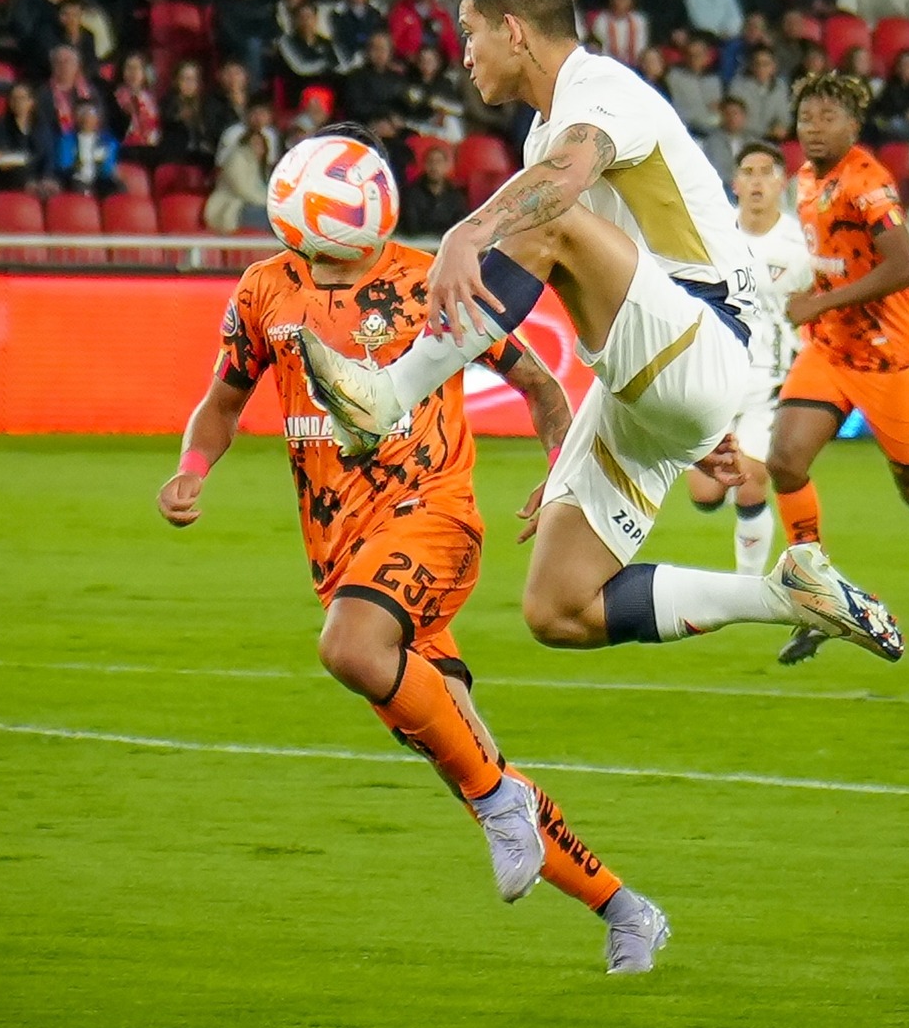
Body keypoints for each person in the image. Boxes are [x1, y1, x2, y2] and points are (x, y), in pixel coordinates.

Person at [297, 0, 904, 674]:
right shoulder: (542, 132)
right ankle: (785, 595)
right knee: (559, 606)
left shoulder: (600, 90)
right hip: (660, 371)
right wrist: (626, 418)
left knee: (544, 214)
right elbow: (588, 277)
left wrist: (470, 228)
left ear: (514, 30)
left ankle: (388, 394)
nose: (463, 54)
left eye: (470, 31)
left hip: (704, 335)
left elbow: (564, 195)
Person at [159, 135, 670, 973]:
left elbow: (542, 384)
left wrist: (562, 480)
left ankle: (504, 805)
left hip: (432, 517)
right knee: (468, 757)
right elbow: (221, 402)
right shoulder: (262, 291)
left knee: (351, 647)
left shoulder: (428, 278)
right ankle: (625, 909)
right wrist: (190, 470)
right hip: (345, 552)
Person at [767, 70, 909, 670]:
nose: (813, 128)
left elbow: (903, 267)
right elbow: (833, 260)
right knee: (784, 461)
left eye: (827, 118)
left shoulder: (869, 185)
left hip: (891, 358)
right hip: (831, 351)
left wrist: (819, 301)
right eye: (805, 118)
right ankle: (817, 596)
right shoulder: (807, 181)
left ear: (854, 124)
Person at [684, 142, 809, 577]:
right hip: (714, 375)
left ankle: (747, 585)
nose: (757, 181)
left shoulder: (800, 242)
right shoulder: (712, 236)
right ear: (734, 184)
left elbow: (819, 305)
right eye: (748, 173)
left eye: (766, 172)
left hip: (770, 382)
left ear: (782, 184)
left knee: (752, 481)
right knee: (705, 493)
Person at [400, 140, 468, 235]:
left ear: (447, 166)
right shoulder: (411, 193)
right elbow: (411, 227)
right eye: (430, 161)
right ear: (424, 165)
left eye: (439, 162)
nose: (434, 166)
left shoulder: (456, 195)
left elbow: (460, 227)